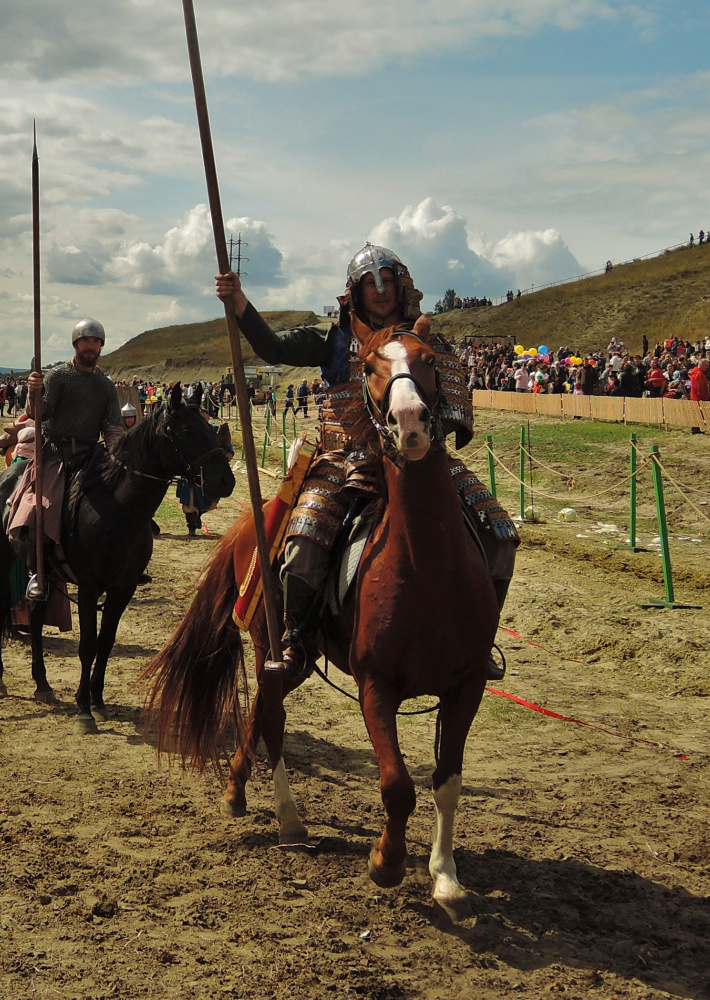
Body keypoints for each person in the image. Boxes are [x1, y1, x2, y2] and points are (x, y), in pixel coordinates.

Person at [215, 243, 517, 683]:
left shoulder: (423, 339)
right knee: (301, 552)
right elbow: (273, 347)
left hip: (419, 459)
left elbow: (453, 406)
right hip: (342, 459)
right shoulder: (333, 339)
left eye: (387, 281)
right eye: (370, 284)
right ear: (355, 292)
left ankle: (480, 638)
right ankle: (299, 638)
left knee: (500, 534)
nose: (380, 290)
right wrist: (239, 301)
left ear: (402, 286)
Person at [7, 318, 125, 601]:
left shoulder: (105, 385)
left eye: (95, 342)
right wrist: (35, 391)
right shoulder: (59, 376)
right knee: (40, 506)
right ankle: (37, 570)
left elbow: (112, 427)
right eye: (85, 341)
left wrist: (118, 456)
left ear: (101, 347)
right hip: (55, 453)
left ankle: (124, 563)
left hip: (91, 454)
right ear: (76, 344)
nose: (90, 346)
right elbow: (39, 413)